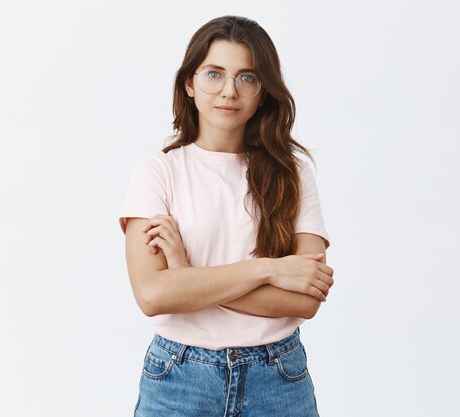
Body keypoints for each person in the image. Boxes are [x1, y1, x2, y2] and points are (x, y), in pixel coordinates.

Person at [118, 15, 334, 417]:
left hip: (278, 378)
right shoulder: (157, 172)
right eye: (214, 74)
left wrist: (187, 275)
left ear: (264, 92)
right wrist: (269, 270)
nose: (229, 92)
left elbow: (304, 301)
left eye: (247, 78)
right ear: (189, 83)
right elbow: (153, 295)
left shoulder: (294, 173)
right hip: (178, 378)